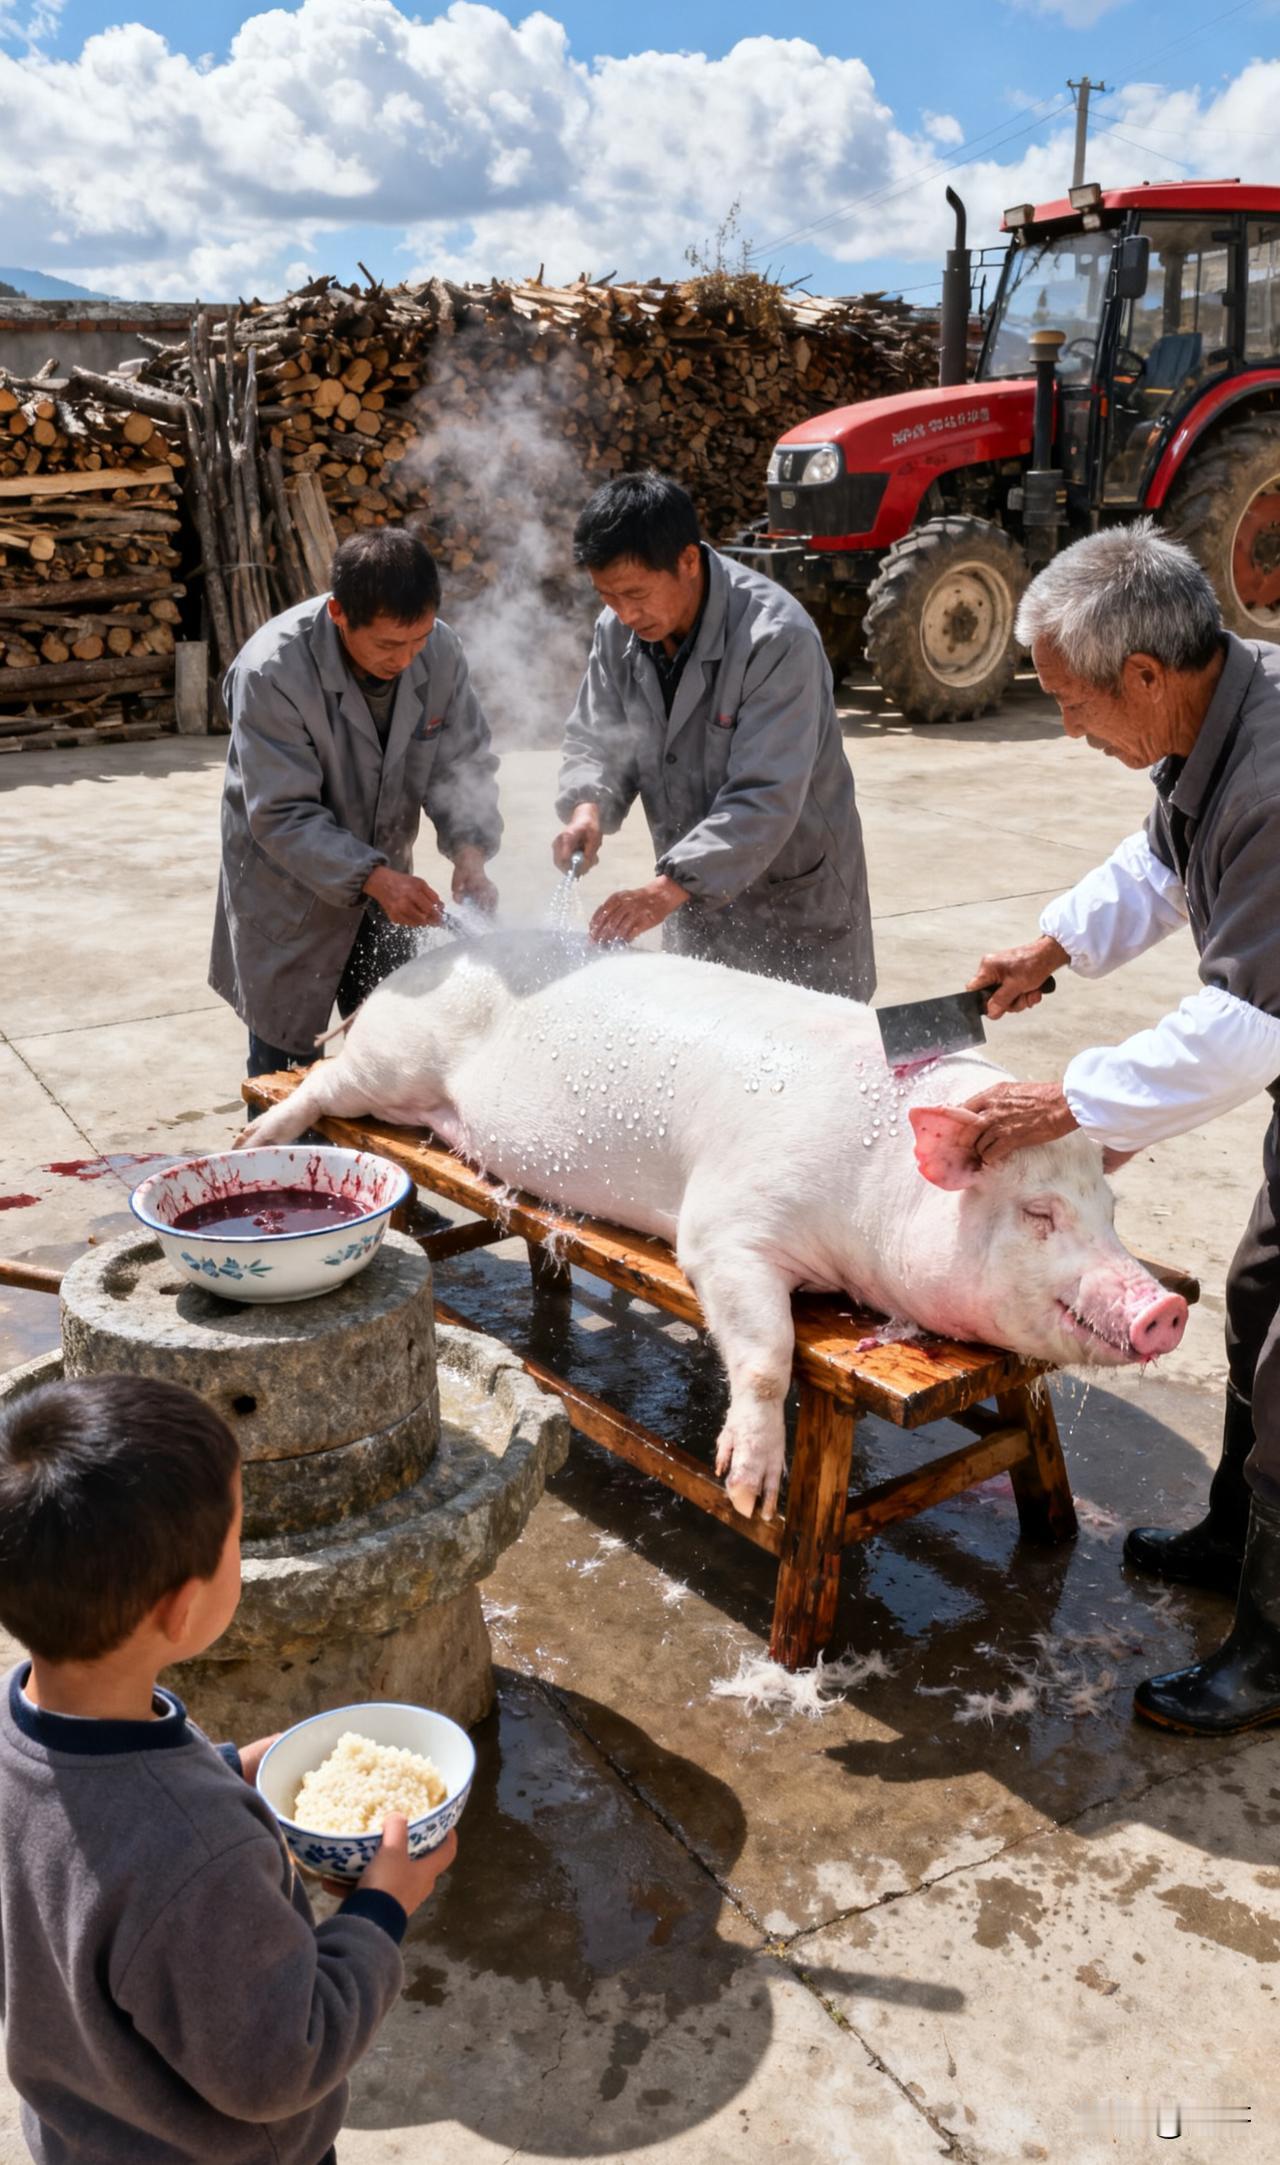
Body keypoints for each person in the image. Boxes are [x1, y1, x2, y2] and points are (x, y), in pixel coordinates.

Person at [959, 523, 1280, 1737]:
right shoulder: (1209, 721)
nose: (1066, 725)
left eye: (1070, 698)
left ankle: (1270, 1652)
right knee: (1255, 1290)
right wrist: (1050, 946)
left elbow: (1245, 1019)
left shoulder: (1266, 770)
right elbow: (1158, 863)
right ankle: (1231, 1537)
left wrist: (1067, 1103)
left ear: (1143, 674)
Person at [0, 1373, 456, 2164]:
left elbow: (81, 1840)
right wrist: (382, 1908)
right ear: (180, 1609)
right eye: (237, 1540)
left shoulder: (21, 1733)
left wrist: (218, 1771)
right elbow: (281, 2064)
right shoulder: (197, 1856)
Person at [551, 470, 875, 998]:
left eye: (636, 593)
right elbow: (597, 738)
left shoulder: (775, 639)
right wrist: (588, 807)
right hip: (695, 904)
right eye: (607, 596)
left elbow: (765, 795)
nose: (625, 614)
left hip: (793, 905)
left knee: (811, 1062)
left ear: (687, 561)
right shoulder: (617, 630)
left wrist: (667, 888)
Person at [210, 526, 502, 1079]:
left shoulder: (438, 649)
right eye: (390, 645)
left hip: (390, 881)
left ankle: (373, 1168)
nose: (406, 657)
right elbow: (282, 813)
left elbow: (462, 761)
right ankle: (287, 1160)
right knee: (286, 1069)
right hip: (289, 891)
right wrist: (375, 878)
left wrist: (469, 851)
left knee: (392, 1052)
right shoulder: (271, 672)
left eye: (417, 639)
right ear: (340, 613)